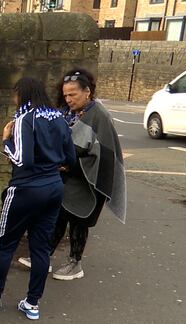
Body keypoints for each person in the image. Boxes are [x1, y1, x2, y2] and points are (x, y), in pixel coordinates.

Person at [0, 77, 76, 321]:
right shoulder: (59, 118)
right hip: (53, 189)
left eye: (15, 95)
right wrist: (53, 167)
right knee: (41, 248)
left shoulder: (25, 119)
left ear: (21, 94)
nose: (14, 99)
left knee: (5, 244)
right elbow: (70, 159)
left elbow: (23, 159)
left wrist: (5, 141)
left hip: (24, 190)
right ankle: (32, 304)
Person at [18, 68, 127, 280]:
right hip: (68, 179)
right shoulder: (69, 113)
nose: (68, 99)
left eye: (73, 94)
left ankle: (75, 264)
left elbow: (103, 157)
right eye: (65, 94)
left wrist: (70, 166)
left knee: (79, 221)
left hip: (88, 180)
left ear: (87, 92)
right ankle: (43, 257)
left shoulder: (99, 116)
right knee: (58, 216)